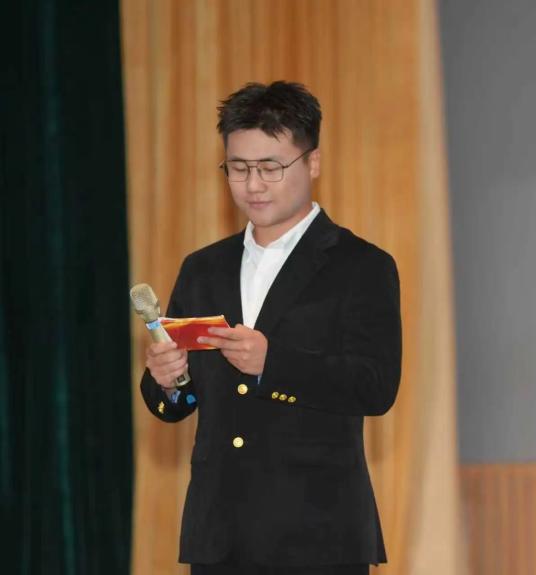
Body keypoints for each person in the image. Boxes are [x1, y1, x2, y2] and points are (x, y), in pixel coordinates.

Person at [139, 81, 401, 575]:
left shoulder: (361, 265)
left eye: (270, 167)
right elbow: (176, 405)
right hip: (219, 535)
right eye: (238, 168)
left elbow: (375, 386)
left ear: (312, 163)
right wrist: (168, 380)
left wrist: (272, 363)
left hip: (318, 533)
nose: (253, 185)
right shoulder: (203, 268)